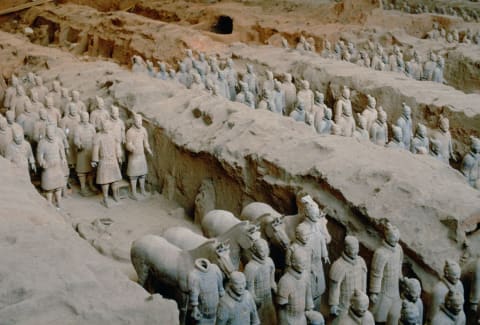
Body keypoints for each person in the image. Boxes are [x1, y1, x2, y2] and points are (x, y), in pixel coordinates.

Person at [369, 222, 403, 323]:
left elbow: (400, 263)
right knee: (380, 316)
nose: (395, 241)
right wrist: (374, 292)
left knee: (395, 314)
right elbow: (376, 274)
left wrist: (400, 275)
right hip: (384, 291)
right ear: (387, 236)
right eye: (393, 239)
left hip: (395, 289)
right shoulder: (380, 253)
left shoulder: (399, 248)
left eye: (397, 239)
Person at [329, 236, 367, 316]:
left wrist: (364, 298)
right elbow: (335, 288)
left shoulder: (361, 261)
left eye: (357, 248)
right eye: (353, 249)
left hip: (359, 303)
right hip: (344, 305)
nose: (356, 251)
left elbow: (364, 281)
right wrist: (334, 304)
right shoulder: (338, 265)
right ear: (346, 248)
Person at [244, 238, 276, 325]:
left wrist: (275, 288)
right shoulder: (250, 268)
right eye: (262, 251)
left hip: (269, 299)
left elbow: (272, 281)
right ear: (254, 250)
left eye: (266, 249)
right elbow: (249, 291)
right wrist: (256, 300)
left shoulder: (269, 262)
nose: (265, 253)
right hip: (258, 303)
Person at [277, 248, 313, 325]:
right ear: (293, 262)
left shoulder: (305, 275)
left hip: (302, 318)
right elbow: (281, 308)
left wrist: (310, 310)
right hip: (290, 320)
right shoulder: (284, 281)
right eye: (301, 263)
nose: (304, 266)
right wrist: (283, 322)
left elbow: (308, 295)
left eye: (305, 263)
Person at [91, 119, 122, 207]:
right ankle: (105, 198)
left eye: (107, 126)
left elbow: (117, 145)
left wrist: (119, 155)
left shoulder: (113, 134)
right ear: (101, 127)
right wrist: (94, 160)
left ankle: (115, 195)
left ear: (109, 126)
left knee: (115, 180)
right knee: (105, 182)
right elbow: (95, 150)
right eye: (104, 126)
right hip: (104, 160)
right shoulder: (98, 136)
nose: (106, 128)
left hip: (113, 160)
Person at [37, 124, 67, 209]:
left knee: (58, 186)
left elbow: (61, 149)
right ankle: (49, 204)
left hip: (57, 165)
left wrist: (63, 158)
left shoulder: (58, 140)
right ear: (46, 133)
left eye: (52, 133)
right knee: (49, 187)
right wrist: (42, 163)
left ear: (54, 132)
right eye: (48, 133)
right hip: (48, 166)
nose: (51, 135)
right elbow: (39, 156)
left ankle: (59, 203)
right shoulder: (42, 142)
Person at [187, 258, 224, 325]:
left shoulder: (215, 269)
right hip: (203, 315)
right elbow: (194, 294)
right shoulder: (194, 275)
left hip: (217, 312)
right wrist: (195, 308)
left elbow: (220, 288)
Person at [125, 113, 152, 199]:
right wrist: (131, 148)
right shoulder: (130, 132)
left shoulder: (144, 130)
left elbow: (146, 141)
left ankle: (143, 190)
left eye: (141, 121)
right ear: (134, 121)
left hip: (141, 155)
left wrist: (148, 148)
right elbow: (127, 144)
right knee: (134, 175)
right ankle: (133, 192)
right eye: (138, 122)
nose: (140, 123)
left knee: (142, 173)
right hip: (134, 156)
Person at [74, 112, 97, 196]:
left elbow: (95, 137)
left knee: (92, 169)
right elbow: (76, 139)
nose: (85, 119)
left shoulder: (91, 127)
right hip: (82, 152)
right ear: (81, 118)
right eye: (84, 117)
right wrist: (79, 144)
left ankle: (90, 184)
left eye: (87, 117)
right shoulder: (78, 128)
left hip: (90, 151)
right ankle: (83, 187)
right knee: (81, 170)